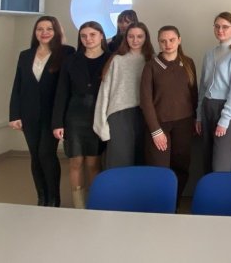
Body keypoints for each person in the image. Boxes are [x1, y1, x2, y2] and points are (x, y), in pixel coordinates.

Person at [9, 16, 75, 207]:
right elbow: (18, 86)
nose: (44, 32)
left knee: (46, 154)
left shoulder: (66, 52)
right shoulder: (25, 55)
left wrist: (62, 118)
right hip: (29, 114)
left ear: (56, 31)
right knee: (35, 156)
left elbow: (66, 87)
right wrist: (14, 114)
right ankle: (42, 197)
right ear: (35, 32)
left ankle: (54, 198)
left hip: (53, 115)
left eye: (49, 29)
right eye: (40, 29)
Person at [52, 21, 110, 208]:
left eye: (92, 35)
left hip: (98, 115)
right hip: (74, 116)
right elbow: (61, 92)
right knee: (75, 162)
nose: (88, 39)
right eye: (84, 36)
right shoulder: (71, 60)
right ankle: (79, 205)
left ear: (101, 36)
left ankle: (95, 203)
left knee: (93, 163)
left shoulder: (111, 59)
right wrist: (57, 123)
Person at [140, 25, 198, 200]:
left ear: (179, 40)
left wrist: (195, 118)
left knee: (181, 166)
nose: (168, 44)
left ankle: (174, 204)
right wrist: (155, 130)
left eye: (172, 40)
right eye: (163, 41)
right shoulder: (151, 66)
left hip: (184, 123)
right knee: (159, 169)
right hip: (159, 125)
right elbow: (145, 101)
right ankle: (160, 206)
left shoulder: (188, 63)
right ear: (158, 43)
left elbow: (194, 93)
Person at [196, 12, 231, 174]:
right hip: (207, 107)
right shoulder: (209, 54)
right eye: (217, 26)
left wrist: (225, 119)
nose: (220, 30)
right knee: (207, 160)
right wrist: (199, 115)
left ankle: (223, 191)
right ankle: (209, 191)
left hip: (227, 110)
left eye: (225, 27)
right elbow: (203, 87)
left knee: (221, 164)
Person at [94, 22, 154, 169]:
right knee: (119, 161)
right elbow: (104, 92)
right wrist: (100, 124)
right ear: (125, 38)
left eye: (139, 36)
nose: (135, 40)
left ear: (146, 38)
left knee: (142, 161)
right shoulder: (117, 60)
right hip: (119, 114)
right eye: (131, 36)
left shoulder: (152, 60)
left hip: (145, 114)